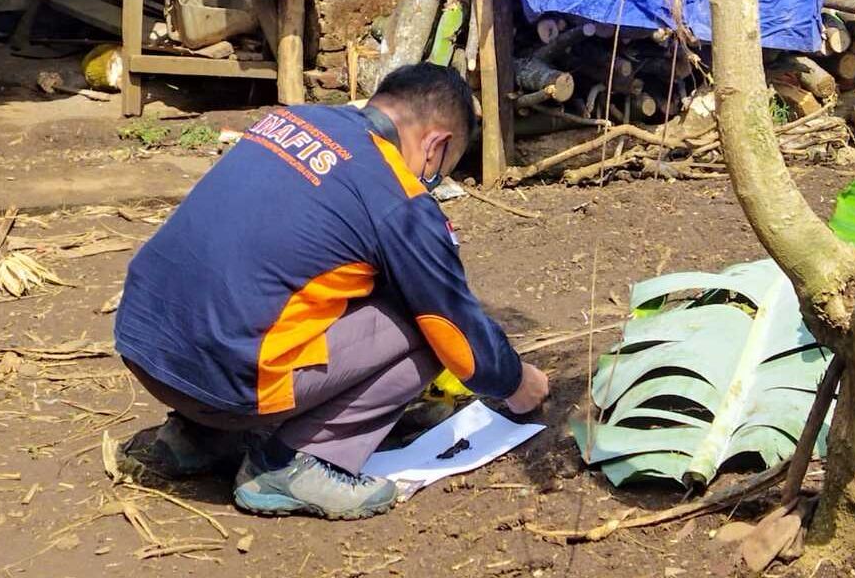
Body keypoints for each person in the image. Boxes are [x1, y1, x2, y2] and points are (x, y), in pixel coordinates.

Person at [114, 63, 549, 520]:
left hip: (146, 349)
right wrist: (518, 384)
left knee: (317, 281)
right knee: (428, 328)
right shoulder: (397, 196)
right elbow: (460, 339)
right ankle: (293, 464)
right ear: (436, 145)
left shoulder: (294, 119)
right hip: (223, 383)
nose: (431, 184)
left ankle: (198, 438)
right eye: (438, 173)